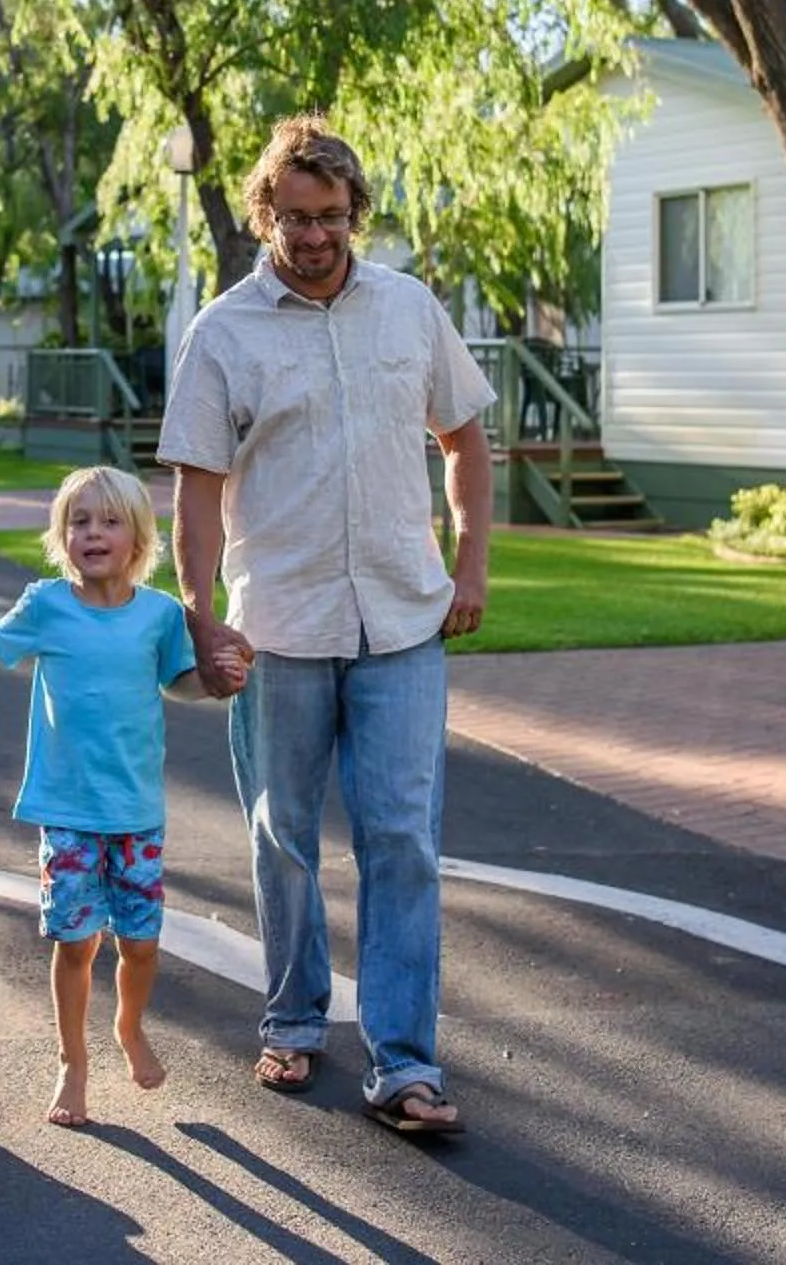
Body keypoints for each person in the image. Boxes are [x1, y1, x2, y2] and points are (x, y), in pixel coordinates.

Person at [160, 114, 495, 1136]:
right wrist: (201, 617)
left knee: (403, 841)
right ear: (265, 212)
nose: (314, 235)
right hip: (280, 629)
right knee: (284, 839)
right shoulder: (222, 333)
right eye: (295, 217)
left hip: (402, 615)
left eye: (332, 216)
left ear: (356, 213)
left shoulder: (409, 310)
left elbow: (466, 440)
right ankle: (296, 1017)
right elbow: (198, 491)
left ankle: (405, 1062)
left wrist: (471, 559)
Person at [0, 465, 249, 1128]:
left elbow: (180, 685)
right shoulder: (47, 604)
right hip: (69, 812)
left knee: (141, 944)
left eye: (109, 522)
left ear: (137, 538)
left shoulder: (160, 617)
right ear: (61, 535)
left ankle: (128, 1027)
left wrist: (218, 683)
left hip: (136, 814)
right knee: (75, 943)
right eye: (79, 521)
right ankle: (71, 1063)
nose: (93, 533)